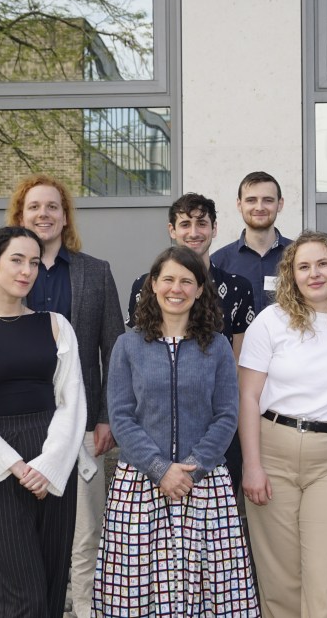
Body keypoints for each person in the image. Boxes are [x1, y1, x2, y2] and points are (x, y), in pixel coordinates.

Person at [0, 174, 125, 618]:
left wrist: (105, 416)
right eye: (34, 207)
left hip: (78, 424)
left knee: (80, 533)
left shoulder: (95, 272)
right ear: (20, 215)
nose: (44, 214)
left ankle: (82, 611)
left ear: (65, 215)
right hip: (13, 424)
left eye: (53, 207)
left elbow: (113, 346)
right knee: (14, 538)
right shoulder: (3, 268)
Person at [94, 246, 259, 617]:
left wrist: (191, 468)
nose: (176, 288)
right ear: (153, 285)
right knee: (139, 586)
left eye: (187, 281)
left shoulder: (216, 346)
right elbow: (121, 416)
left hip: (203, 483)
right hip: (140, 483)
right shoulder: (129, 345)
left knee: (207, 586)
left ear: (200, 290)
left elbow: (226, 415)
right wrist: (159, 469)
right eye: (168, 279)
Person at [0, 226, 93, 618]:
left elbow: (73, 401)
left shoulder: (57, 324)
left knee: (52, 580)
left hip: (53, 454)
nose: (27, 270)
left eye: (33, 262)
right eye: (16, 260)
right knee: (21, 587)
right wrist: (15, 466)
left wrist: (48, 465)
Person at [239, 230, 327, 618]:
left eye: (323, 264)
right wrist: (252, 466)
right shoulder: (271, 322)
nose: (314, 273)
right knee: (280, 581)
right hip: (272, 454)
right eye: (303, 266)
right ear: (291, 274)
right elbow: (248, 397)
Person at [126, 192, 255, 491]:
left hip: (217, 425)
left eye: (202, 223)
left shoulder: (237, 288)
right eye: (185, 224)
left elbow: (239, 363)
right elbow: (136, 355)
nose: (194, 232)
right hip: (155, 427)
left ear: (215, 228)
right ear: (172, 230)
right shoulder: (145, 286)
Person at [211, 171, 291, 313]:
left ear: (280, 204)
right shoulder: (219, 262)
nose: (259, 207)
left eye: (268, 200)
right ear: (239, 204)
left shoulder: (299, 256)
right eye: (251, 200)